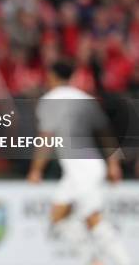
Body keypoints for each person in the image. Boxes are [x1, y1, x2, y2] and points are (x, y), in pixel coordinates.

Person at [28, 61, 129, 265]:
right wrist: (113, 164)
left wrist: (36, 170)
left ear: (52, 77)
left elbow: (46, 138)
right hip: (85, 168)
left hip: (82, 170)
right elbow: (105, 133)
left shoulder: (50, 100)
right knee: (58, 218)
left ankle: (122, 262)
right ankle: (93, 260)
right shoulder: (85, 99)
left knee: (93, 220)